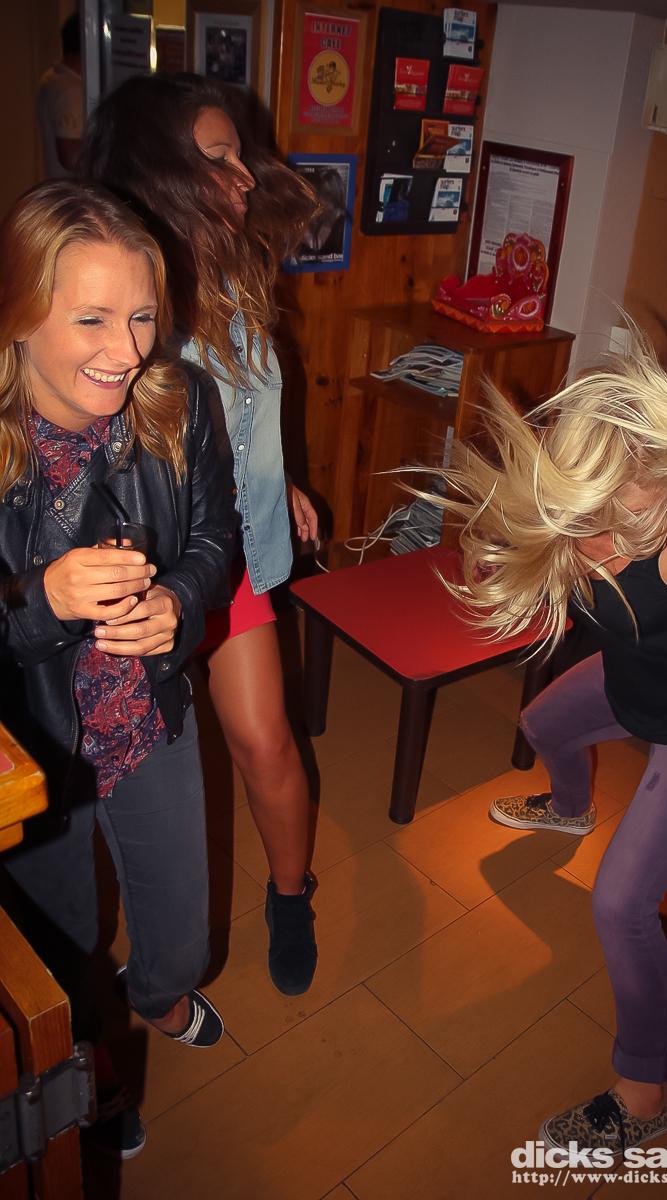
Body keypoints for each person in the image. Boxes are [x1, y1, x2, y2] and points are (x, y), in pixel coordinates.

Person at [423, 336, 667, 1157]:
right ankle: (570, 809)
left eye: (665, 470)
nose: (662, 489)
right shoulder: (565, 511)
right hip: (639, 683)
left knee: (621, 904)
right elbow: (506, 560)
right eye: (643, 472)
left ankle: (644, 1090)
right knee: (541, 725)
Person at [0, 181, 236, 1154]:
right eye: (91, 318)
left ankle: (159, 995)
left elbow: (216, 539)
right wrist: (38, 601)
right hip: (30, 748)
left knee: (181, 936)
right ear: (19, 315)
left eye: (142, 315)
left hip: (146, 714)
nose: (128, 350)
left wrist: (179, 602)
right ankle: (92, 1081)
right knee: (61, 955)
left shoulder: (182, 402)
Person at [83, 74, 323, 995]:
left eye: (237, 155)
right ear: (162, 169)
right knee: (124, 773)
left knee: (265, 742)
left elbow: (241, 410)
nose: (244, 176)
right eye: (218, 158)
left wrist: (277, 477)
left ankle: (291, 896)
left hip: (231, 556)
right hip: (131, 573)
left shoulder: (235, 270)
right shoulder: (121, 295)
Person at [36, 11, 83, 178]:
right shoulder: (70, 90)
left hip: (58, 184)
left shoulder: (52, 77)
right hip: (73, 188)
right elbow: (70, 157)